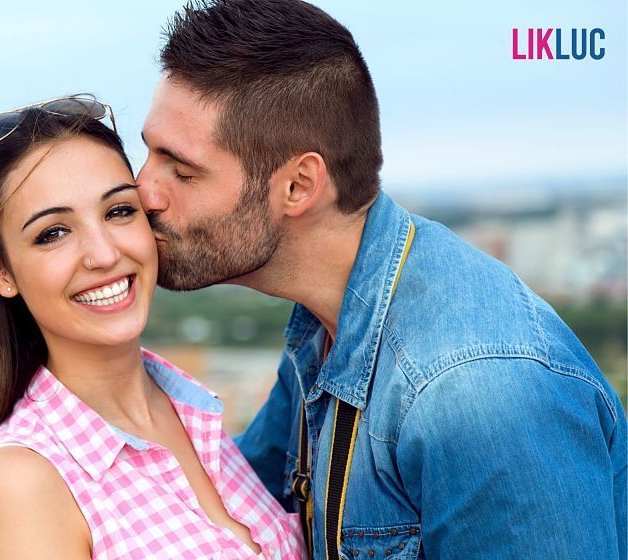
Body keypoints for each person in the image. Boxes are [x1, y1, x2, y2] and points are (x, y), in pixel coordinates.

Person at [136, 1, 628, 559]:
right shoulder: (328, 323)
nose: (143, 190)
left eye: (181, 170)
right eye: (148, 153)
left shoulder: (478, 396)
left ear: (298, 186)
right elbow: (227, 506)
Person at [0, 94, 305, 559]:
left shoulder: (192, 412)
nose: (103, 254)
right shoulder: (25, 482)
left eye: (119, 211)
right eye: (53, 233)